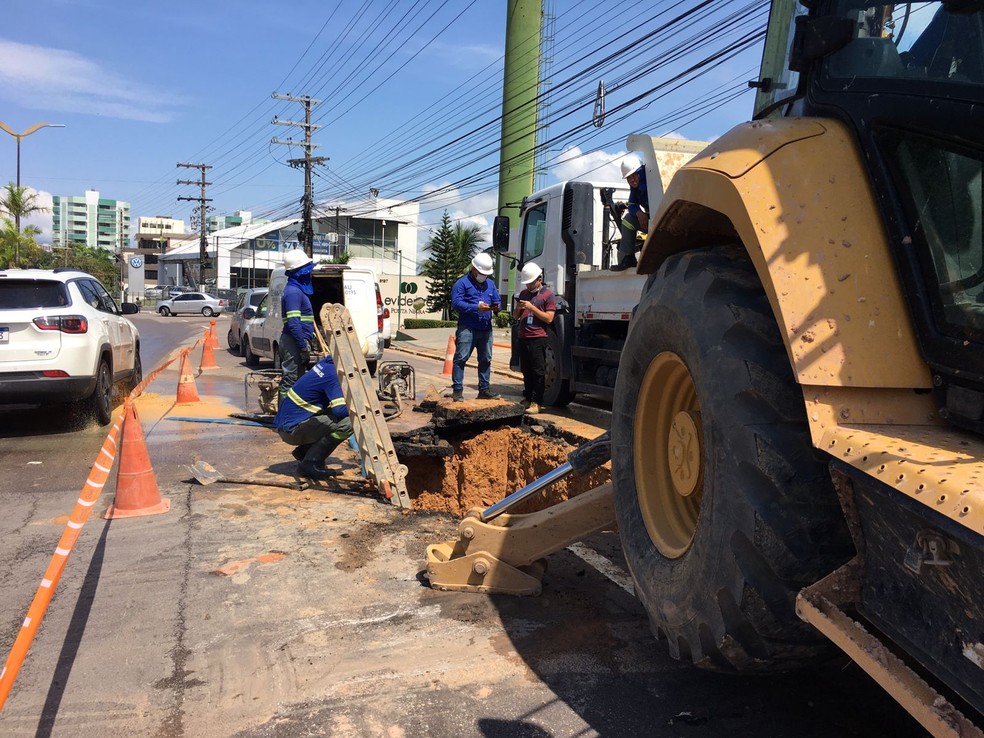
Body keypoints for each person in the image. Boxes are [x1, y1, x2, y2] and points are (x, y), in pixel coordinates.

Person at [274, 355, 353, 480]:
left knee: (330, 414)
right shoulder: (334, 374)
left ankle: (305, 452)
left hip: (287, 424)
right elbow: (339, 411)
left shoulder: (326, 364)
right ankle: (311, 463)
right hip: (292, 430)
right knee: (350, 423)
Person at [450, 252, 502, 402]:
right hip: (468, 327)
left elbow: (498, 301)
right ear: (473, 268)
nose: (483, 276)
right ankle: (457, 390)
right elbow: (456, 303)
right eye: (481, 273)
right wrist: (476, 307)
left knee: (486, 359)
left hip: (486, 328)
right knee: (461, 358)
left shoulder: (490, 284)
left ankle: (484, 389)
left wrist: (496, 307)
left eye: (485, 274)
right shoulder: (461, 283)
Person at [513, 262, 556, 414]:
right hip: (524, 336)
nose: (529, 286)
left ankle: (537, 401)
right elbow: (515, 316)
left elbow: (549, 318)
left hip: (538, 338)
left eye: (531, 283)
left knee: (538, 371)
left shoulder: (548, 296)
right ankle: (528, 397)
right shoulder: (524, 294)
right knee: (526, 370)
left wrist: (532, 308)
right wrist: (518, 308)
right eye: (527, 283)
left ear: (539, 279)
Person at [279, 249, 316, 401]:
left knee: (297, 382)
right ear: (300, 272)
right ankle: (283, 412)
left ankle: (292, 411)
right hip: (293, 341)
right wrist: (302, 346)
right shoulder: (293, 292)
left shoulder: (296, 291)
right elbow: (293, 323)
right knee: (290, 380)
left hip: (295, 341)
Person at [611, 154, 649, 272]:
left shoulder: (652, 182)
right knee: (628, 220)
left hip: (663, 221)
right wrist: (639, 213)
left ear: (640, 172)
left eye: (634, 175)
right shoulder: (635, 189)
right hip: (651, 221)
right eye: (628, 178)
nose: (632, 180)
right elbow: (632, 204)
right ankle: (629, 258)